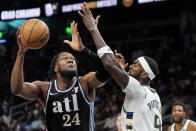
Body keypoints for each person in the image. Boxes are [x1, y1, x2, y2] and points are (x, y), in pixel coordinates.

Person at [11, 19, 110, 131]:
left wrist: (83, 50)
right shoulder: (44, 89)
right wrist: (20, 53)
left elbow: (107, 71)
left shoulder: (85, 83)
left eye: (73, 59)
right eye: (65, 58)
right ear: (56, 68)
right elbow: (17, 89)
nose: (70, 60)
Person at [78, 2, 162, 131]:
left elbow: (108, 64)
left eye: (136, 65)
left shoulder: (138, 90)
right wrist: (120, 71)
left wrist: (93, 29)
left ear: (145, 74)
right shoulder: (153, 95)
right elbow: (111, 69)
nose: (131, 65)